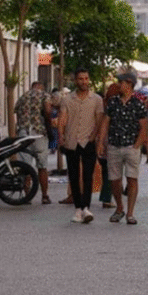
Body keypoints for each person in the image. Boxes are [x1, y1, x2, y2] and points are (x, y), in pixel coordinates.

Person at [57, 69, 104, 223]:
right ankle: (78, 208)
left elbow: (99, 120)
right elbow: (62, 119)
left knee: (88, 175)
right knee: (74, 175)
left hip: (88, 141)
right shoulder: (67, 99)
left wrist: (95, 137)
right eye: (80, 79)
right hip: (72, 141)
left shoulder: (96, 99)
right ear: (75, 81)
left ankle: (86, 207)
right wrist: (61, 137)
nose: (84, 81)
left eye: (86, 78)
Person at [101, 72, 148, 225]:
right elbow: (105, 122)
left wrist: (137, 145)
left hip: (131, 145)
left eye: (120, 82)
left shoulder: (138, 103)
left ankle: (130, 213)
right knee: (114, 180)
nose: (118, 85)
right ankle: (119, 207)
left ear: (129, 84)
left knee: (132, 178)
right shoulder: (113, 102)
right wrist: (101, 142)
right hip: (114, 145)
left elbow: (143, 127)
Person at [14, 81, 52, 204]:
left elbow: (16, 111)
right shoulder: (44, 95)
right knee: (42, 166)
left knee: (26, 167)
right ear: (41, 88)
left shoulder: (23, 96)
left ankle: (27, 195)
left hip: (24, 133)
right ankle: (45, 196)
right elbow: (47, 111)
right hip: (38, 133)